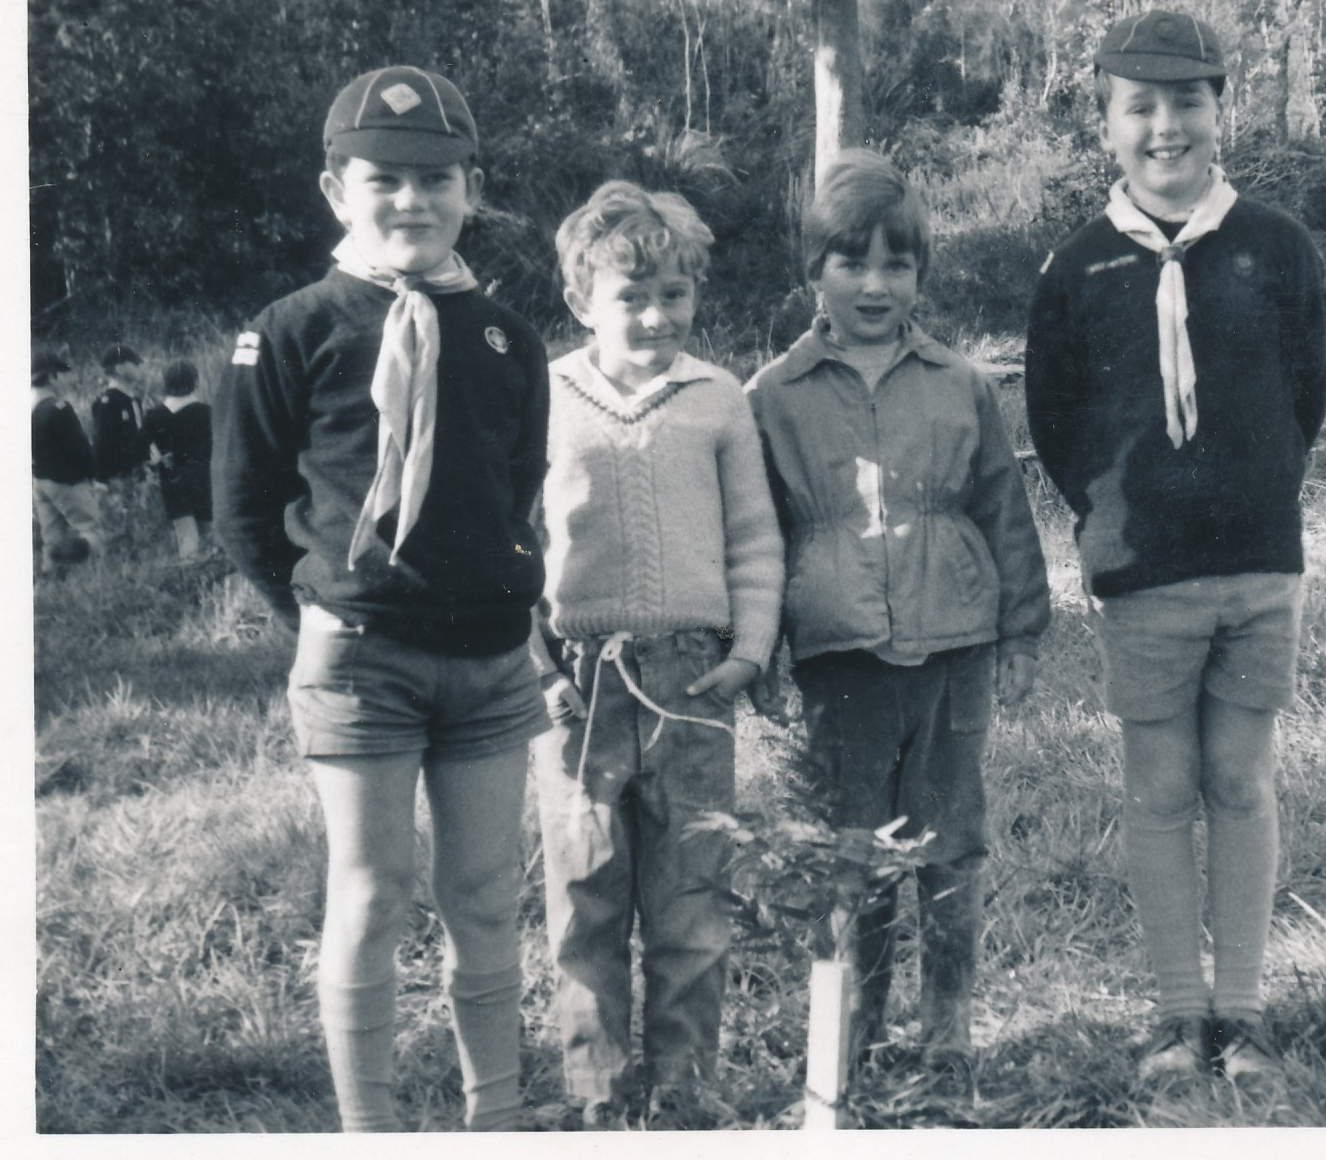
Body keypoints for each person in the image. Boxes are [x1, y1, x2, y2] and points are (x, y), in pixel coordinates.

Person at [214, 66, 549, 1132]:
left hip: (492, 664)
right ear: (334, 187)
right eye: (385, 179)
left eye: (437, 178)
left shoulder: (505, 335)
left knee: (487, 898)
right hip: (361, 661)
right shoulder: (295, 326)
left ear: (471, 187)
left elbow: (517, 484)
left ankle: (490, 1121)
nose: (412, 200)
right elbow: (243, 506)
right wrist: (318, 604)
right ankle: (371, 1132)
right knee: (371, 893)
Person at [1024, 10, 1326, 1086]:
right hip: (1142, 572)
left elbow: (1305, 394)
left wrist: (1243, 494)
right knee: (1157, 788)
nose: (1165, 127)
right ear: (1104, 125)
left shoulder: (1277, 247)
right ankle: (1172, 1014)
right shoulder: (1075, 268)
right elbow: (1056, 422)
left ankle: (1240, 1014)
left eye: (1186, 101)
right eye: (1138, 107)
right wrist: (1122, 519)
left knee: (1240, 780)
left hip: (1255, 563)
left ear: (1218, 109)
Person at [748, 150, 1049, 1088]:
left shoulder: (961, 383)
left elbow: (1002, 504)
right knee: (853, 850)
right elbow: (751, 533)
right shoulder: (771, 397)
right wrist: (755, 647)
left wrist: (1023, 626)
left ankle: (949, 1031)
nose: (876, 285)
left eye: (898, 264)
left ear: (921, 273)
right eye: (852, 263)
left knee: (950, 839)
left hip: (953, 645)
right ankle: (852, 1033)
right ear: (813, 274)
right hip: (840, 656)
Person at [530, 181, 784, 1130]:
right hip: (578, 685)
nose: (654, 315)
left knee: (692, 895)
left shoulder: (716, 398)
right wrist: (539, 670)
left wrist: (750, 650)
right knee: (586, 891)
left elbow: (755, 536)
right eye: (630, 296)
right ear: (580, 302)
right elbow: (514, 546)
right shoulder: (544, 396)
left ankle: (686, 1084)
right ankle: (593, 1087)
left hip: (691, 679)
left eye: (673, 294)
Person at [32, 348, 103, 572]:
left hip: (40, 482)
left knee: (51, 537)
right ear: (51, 376)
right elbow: (79, 449)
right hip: (67, 482)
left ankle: (50, 575)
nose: (66, 378)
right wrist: (94, 475)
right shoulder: (59, 408)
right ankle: (87, 566)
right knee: (92, 530)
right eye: (62, 373)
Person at [143, 359, 214, 559]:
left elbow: (143, 448)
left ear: (165, 384)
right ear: (195, 382)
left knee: (186, 535)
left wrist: (157, 459)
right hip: (203, 477)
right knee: (210, 532)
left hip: (172, 479)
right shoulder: (206, 412)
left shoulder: (154, 415)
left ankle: (189, 572)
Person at [91, 343, 150, 483]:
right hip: (117, 479)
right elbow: (101, 444)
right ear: (120, 369)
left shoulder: (134, 400)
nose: (140, 367)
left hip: (137, 475)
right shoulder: (108, 403)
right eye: (135, 363)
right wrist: (101, 481)